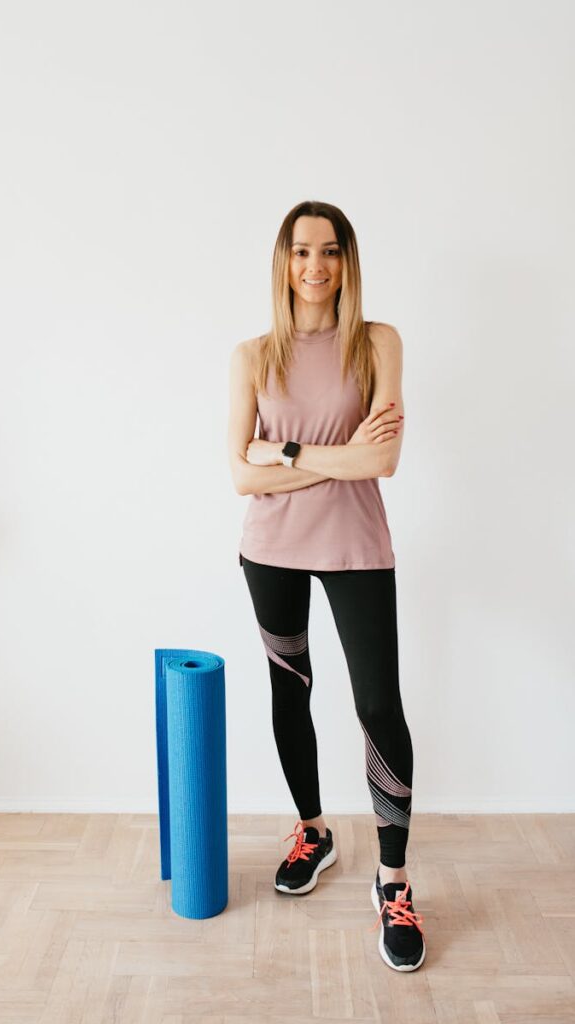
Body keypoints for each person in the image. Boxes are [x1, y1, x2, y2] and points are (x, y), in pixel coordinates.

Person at [227, 200, 426, 972]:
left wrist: (281, 452)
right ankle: (312, 831)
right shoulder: (251, 355)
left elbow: (381, 463)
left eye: (330, 251)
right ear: (282, 261)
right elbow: (236, 473)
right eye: (301, 251)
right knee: (290, 689)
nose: (315, 266)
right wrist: (314, 456)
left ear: (347, 261)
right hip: (269, 549)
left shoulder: (378, 342)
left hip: (356, 544)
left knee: (378, 705)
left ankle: (393, 880)